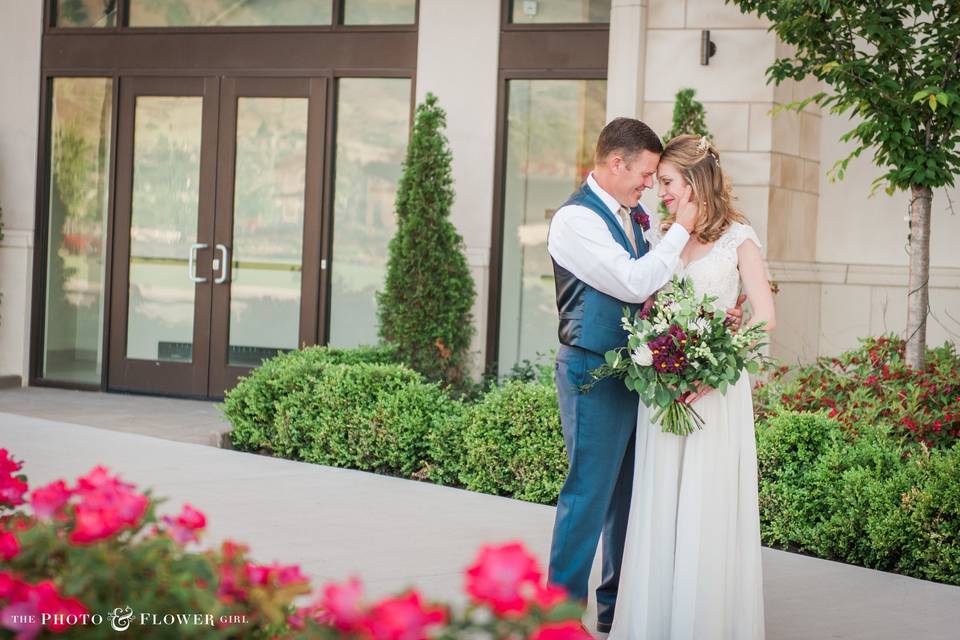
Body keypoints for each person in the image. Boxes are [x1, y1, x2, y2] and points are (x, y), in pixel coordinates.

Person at [546, 119, 742, 633]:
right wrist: (682, 227)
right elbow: (635, 283)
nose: (650, 185)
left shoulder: (635, 217)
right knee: (588, 494)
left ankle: (615, 611)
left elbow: (660, 293)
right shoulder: (575, 220)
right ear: (617, 163)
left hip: (641, 375)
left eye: (659, 177)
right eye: (647, 173)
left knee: (629, 500)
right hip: (593, 368)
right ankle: (559, 621)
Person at [609, 134, 775, 640]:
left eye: (667, 182)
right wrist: (655, 348)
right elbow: (651, 307)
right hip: (665, 394)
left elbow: (764, 319)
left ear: (695, 181)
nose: (661, 191)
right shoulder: (667, 235)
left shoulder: (738, 237)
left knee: (706, 506)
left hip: (715, 394)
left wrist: (714, 364)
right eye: (658, 182)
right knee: (661, 503)